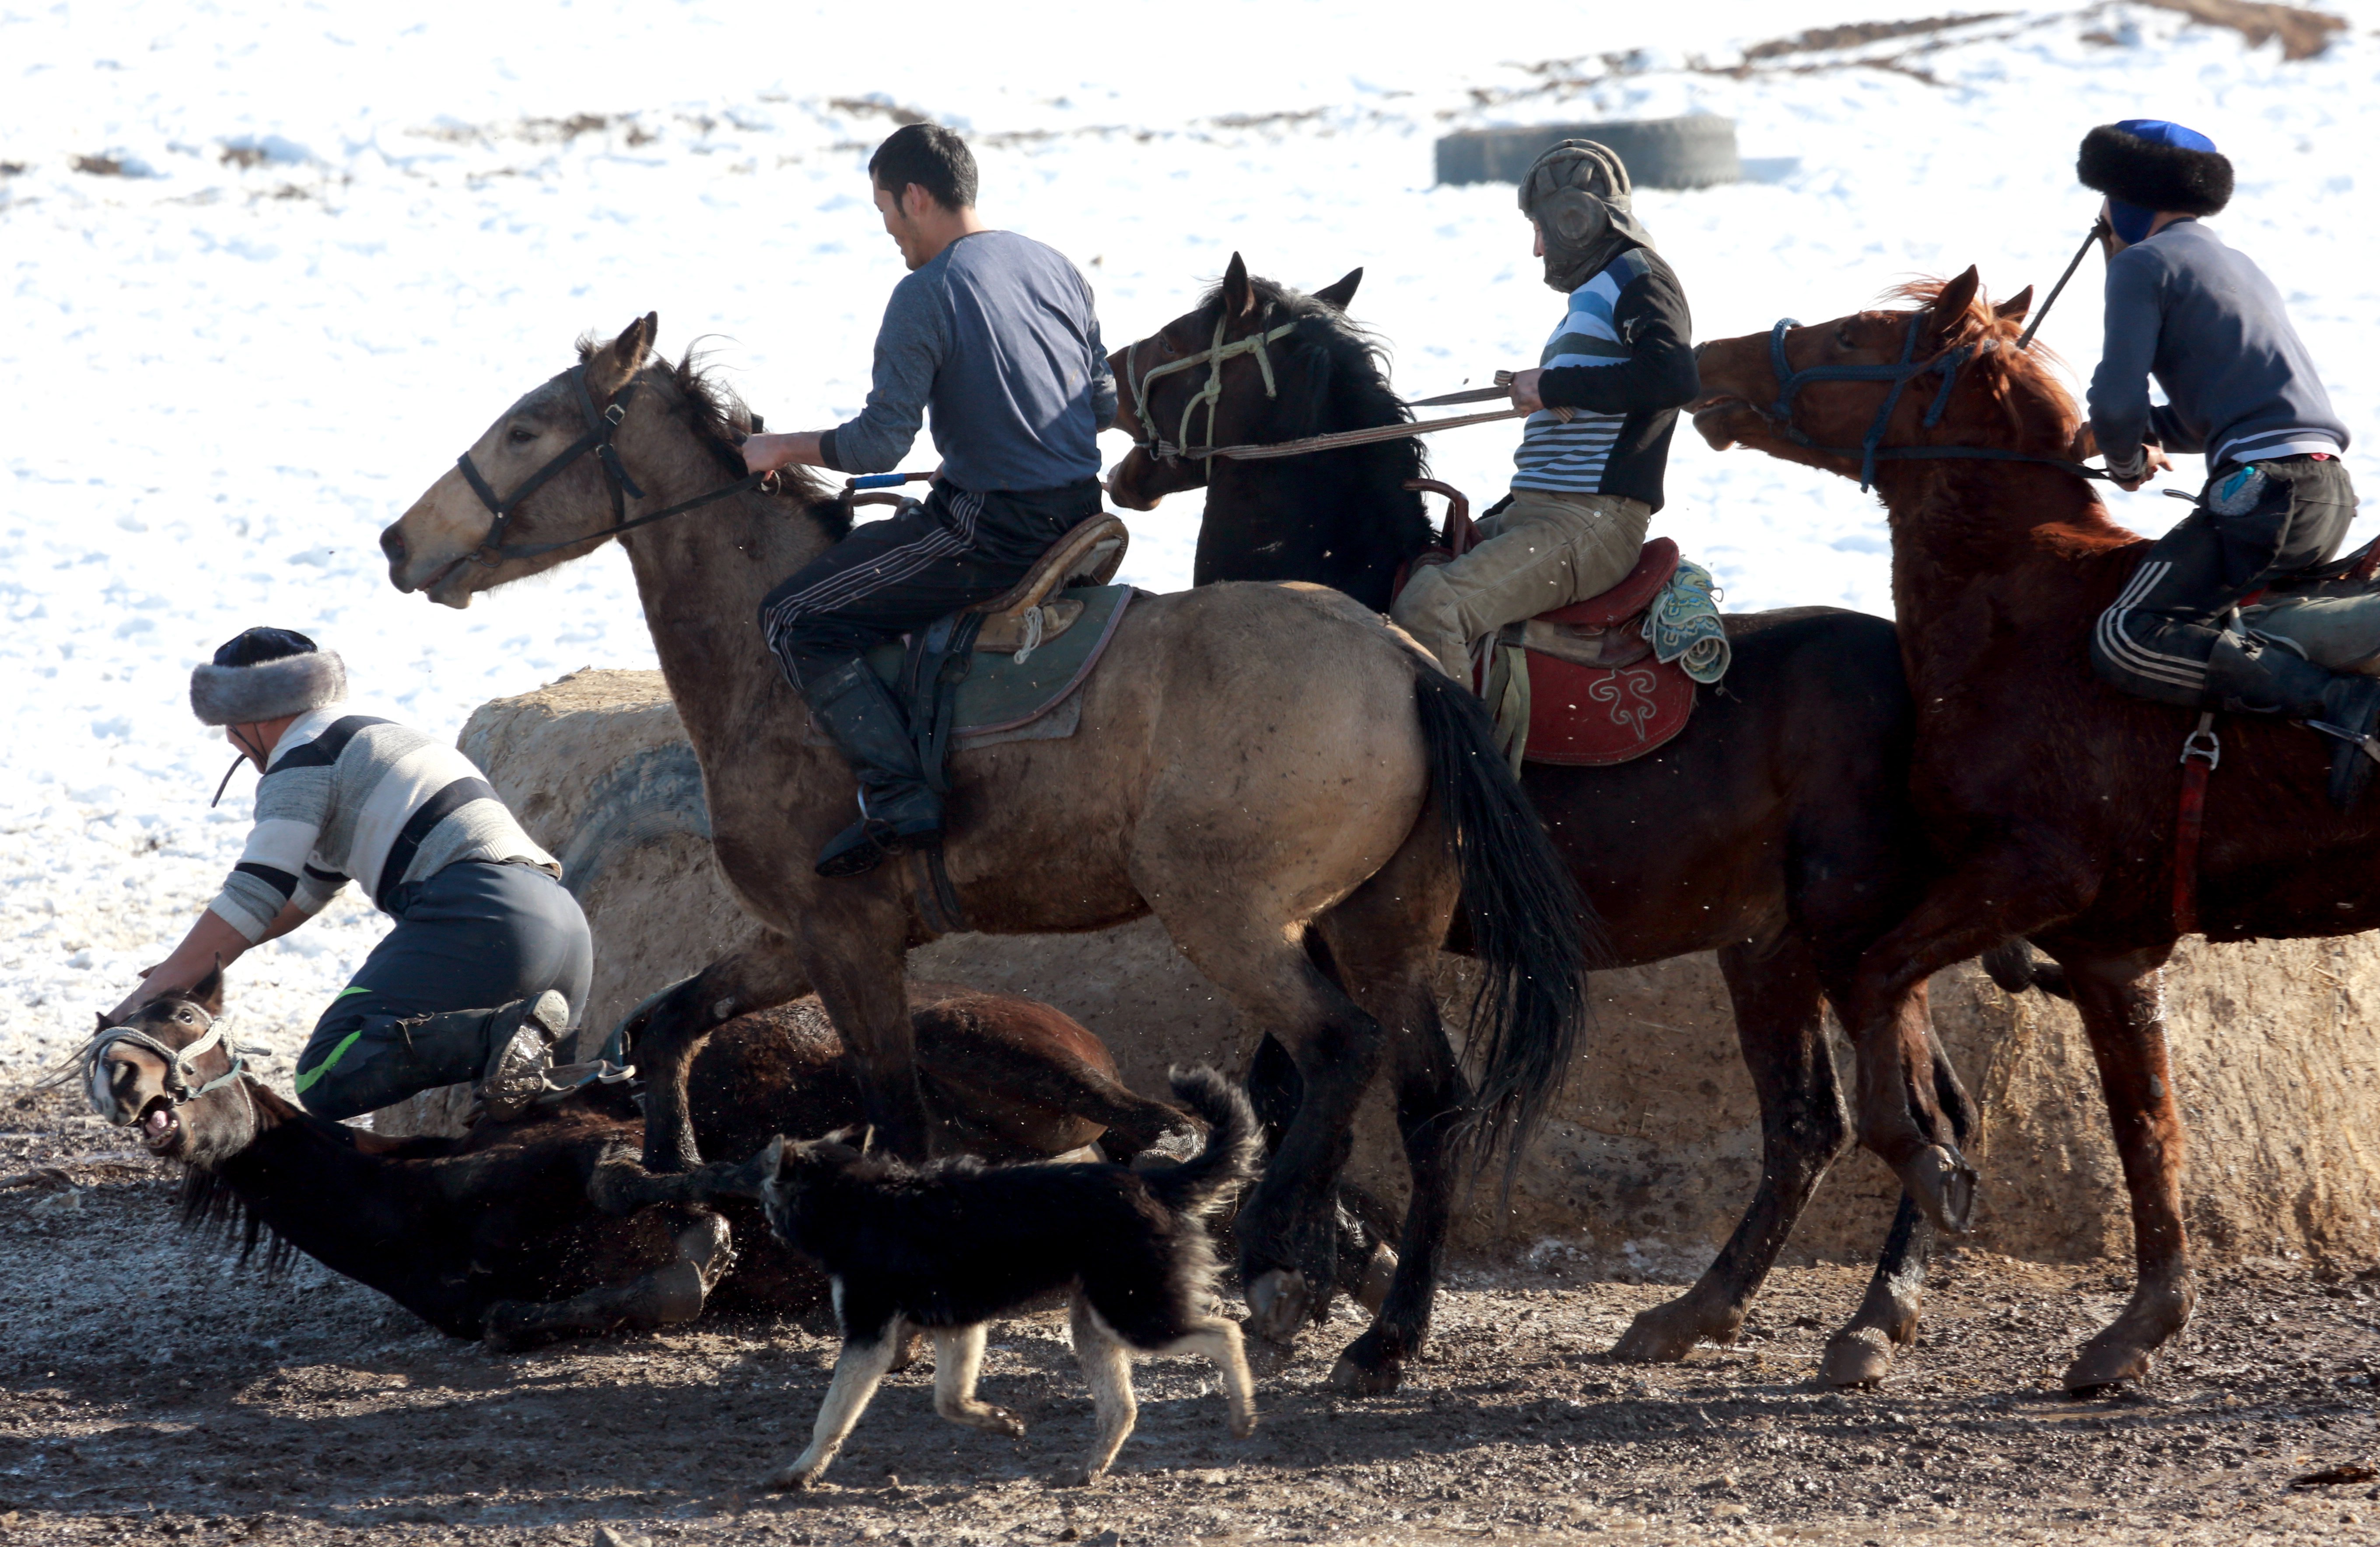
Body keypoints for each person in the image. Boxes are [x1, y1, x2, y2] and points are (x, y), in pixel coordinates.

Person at [739, 123, 1116, 877]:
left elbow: (881, 447)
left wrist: (781, 448)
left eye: (884, 211)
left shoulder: (925, 291)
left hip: (995, 532)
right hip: (1083, 513)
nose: (887, 231)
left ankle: (900, 798)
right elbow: (1101, 404)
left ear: (915, 197)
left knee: (792, 618)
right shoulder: (1055, 265)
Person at [106, 628, 592, 1121]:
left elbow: (256, 893)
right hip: (563, 925)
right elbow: (302, 893)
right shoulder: (372, 735)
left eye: (229, 726)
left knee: (326, 1073)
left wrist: (151, 993)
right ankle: (523, 1044)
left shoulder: (304, 756)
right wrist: (186, 967)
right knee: (537, 1130)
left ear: (253, 714)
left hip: (477, 914)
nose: (232, 741)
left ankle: (499, 1031)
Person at [2077, 119, 2380, 805]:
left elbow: (2119, 403)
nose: (2102, 231)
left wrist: (2122, 457)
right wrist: (2109, 437)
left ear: (2121, 203)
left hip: (2266, 491)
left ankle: (2343, 703)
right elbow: (2201, 413)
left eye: (2102, 218)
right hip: (2323, 489)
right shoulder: (2236, 265)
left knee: (2128, 635)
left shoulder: (2140, 264)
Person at [1389, 139, 1700, 681]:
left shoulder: (1639, 277)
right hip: (1542, 510)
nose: (1536, 248)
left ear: (1572, 220)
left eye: (1539, 228)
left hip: (1589, 520)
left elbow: (1673, 376)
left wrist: (1552, 386)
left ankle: (1463, 766)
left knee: (1430, 605)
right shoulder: (1597, 293)